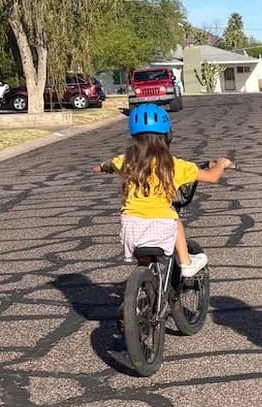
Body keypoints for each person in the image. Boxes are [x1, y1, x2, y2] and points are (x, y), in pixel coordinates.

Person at [94, 104, 232, 277]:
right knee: (173, 216)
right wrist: (221, 164)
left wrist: (101, 168)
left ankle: (145, 288)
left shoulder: (126, 161)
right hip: (162, 225)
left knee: (144, 263)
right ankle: (185, 261)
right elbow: (212, 177)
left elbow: (104, 166)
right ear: (167, 135)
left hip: (130, 227)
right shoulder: (174, 165)